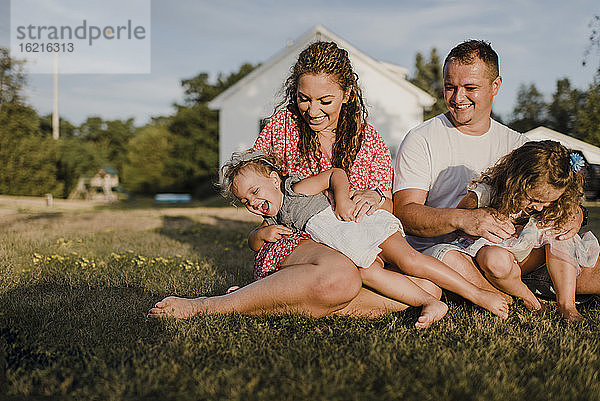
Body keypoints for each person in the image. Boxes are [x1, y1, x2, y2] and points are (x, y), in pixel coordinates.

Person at [148, 41, 440, 320]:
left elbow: (388, 208)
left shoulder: (369, 139)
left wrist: (377, 198)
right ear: (294, 92)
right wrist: (257, 235)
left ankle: (275, 297)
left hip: (352, 242)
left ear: (347, 93)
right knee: (344, 276)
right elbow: (254, 182)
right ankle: (215, 305)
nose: (312, 111)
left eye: (325, 101)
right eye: (304, 99)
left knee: (427, 288)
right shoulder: (282, 125)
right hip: (297, 241)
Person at [393, 39, 600, 309]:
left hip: (516, 251)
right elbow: (405, 213)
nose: (458, 98)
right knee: (459, 262)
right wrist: (464, 219)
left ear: (495, 86)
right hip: (454, 254)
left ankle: (539, 289)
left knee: (575, 256)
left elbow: (552, 192)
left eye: (470, 88)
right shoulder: (422, 139)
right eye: (450, 87)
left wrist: (575, 213)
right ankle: (525, 296)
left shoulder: (518, 145)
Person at [454, 141, 599, 322]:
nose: (539, 207)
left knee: (559, 232)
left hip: (536, 257)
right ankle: (530, 300)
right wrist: (481, 220)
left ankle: (567, 306)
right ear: (516, 182)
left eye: (547, 202)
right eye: (534, 199)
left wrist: (569, 214)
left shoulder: (549, 201)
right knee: (494, 259)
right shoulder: (487, 193)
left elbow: (564, 218)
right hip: (502, 258)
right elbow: (459, 223)